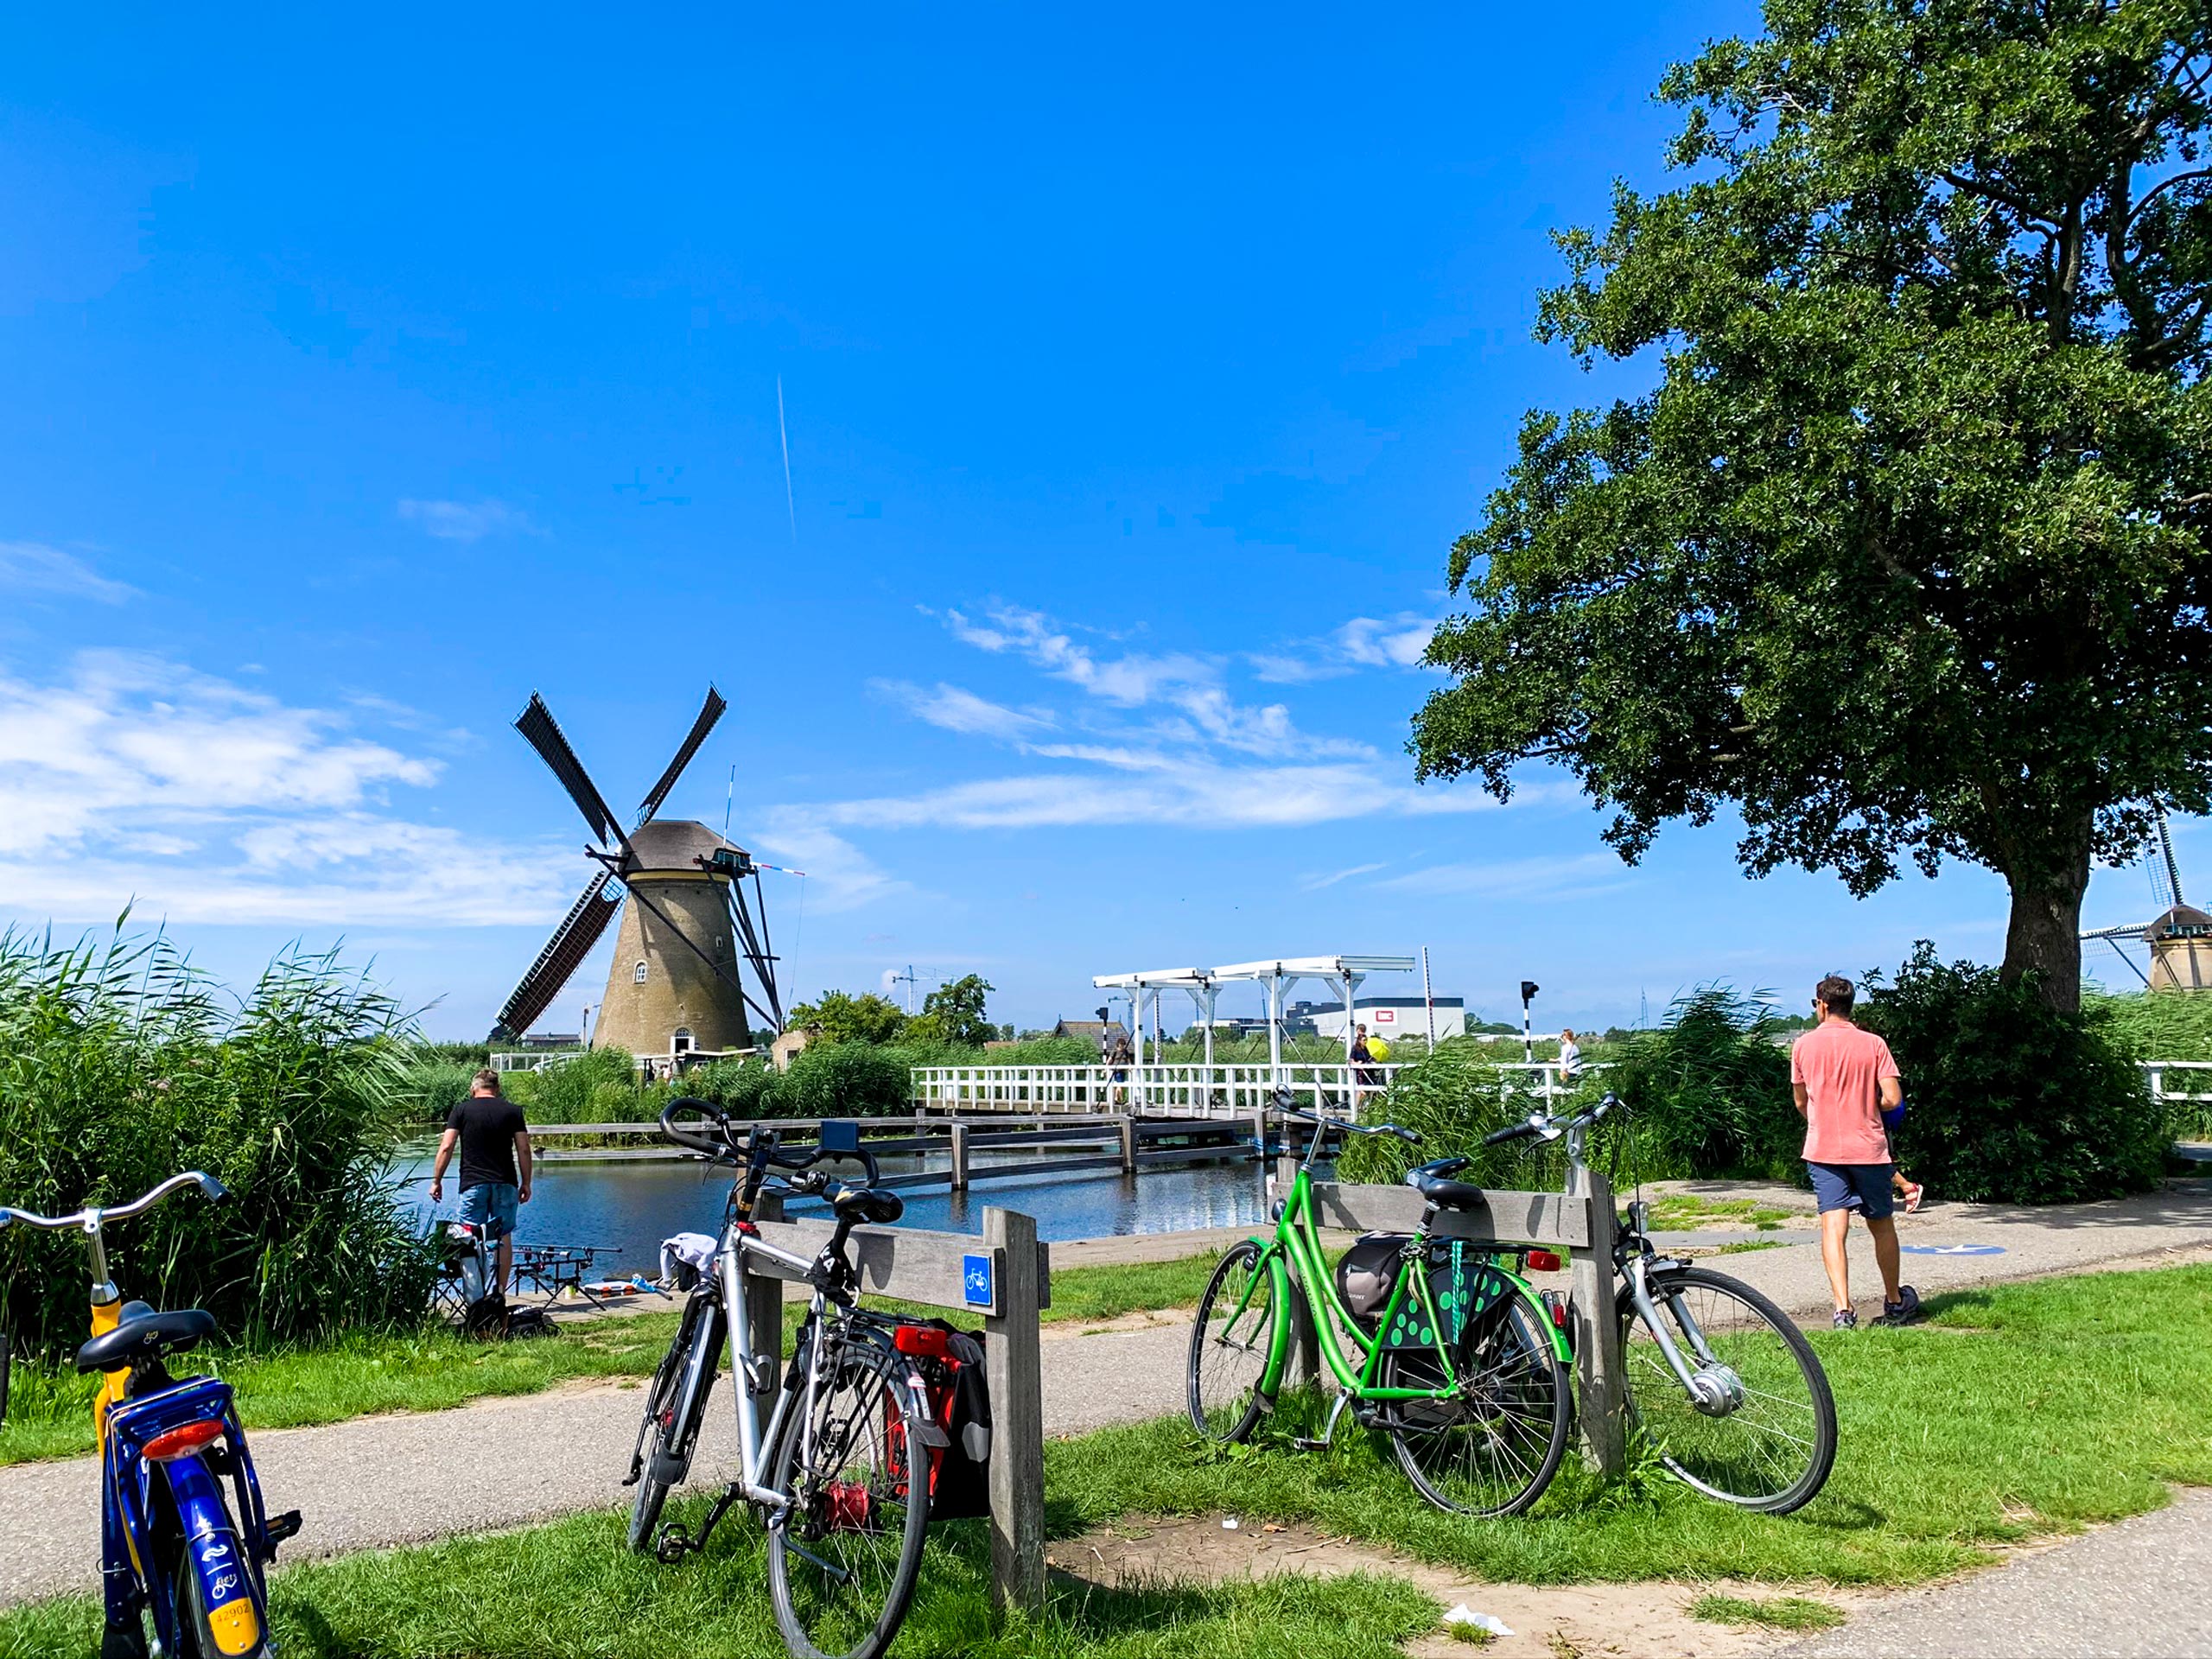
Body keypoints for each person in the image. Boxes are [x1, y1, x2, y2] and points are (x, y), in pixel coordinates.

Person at [1790, 976, 1919, 1328]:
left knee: (1833, 1226)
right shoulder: (1874, 1044)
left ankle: (1843, 1310)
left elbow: (1801, 1101)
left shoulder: (1803, 1047)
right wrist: (1866, 1106)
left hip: (1823, 1148)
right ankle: (1894, 1301)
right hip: (1869, 1148)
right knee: (1881, 1225)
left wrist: (1821, 1117)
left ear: (1821, 1004)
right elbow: (1892, 1098)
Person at [429, 1069, 532, 1300]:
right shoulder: (513, 1111)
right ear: (497, 1089)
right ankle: (499, 1294)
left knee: (469, 1237)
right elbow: (524, 1149)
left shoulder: (461, 1110)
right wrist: (527, 1182)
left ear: (473, 1089)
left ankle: (474, 1298)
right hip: (505, 1182)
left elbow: (446, 1147)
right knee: (503, 1235)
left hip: (473, 1183)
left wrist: (436, 1181)